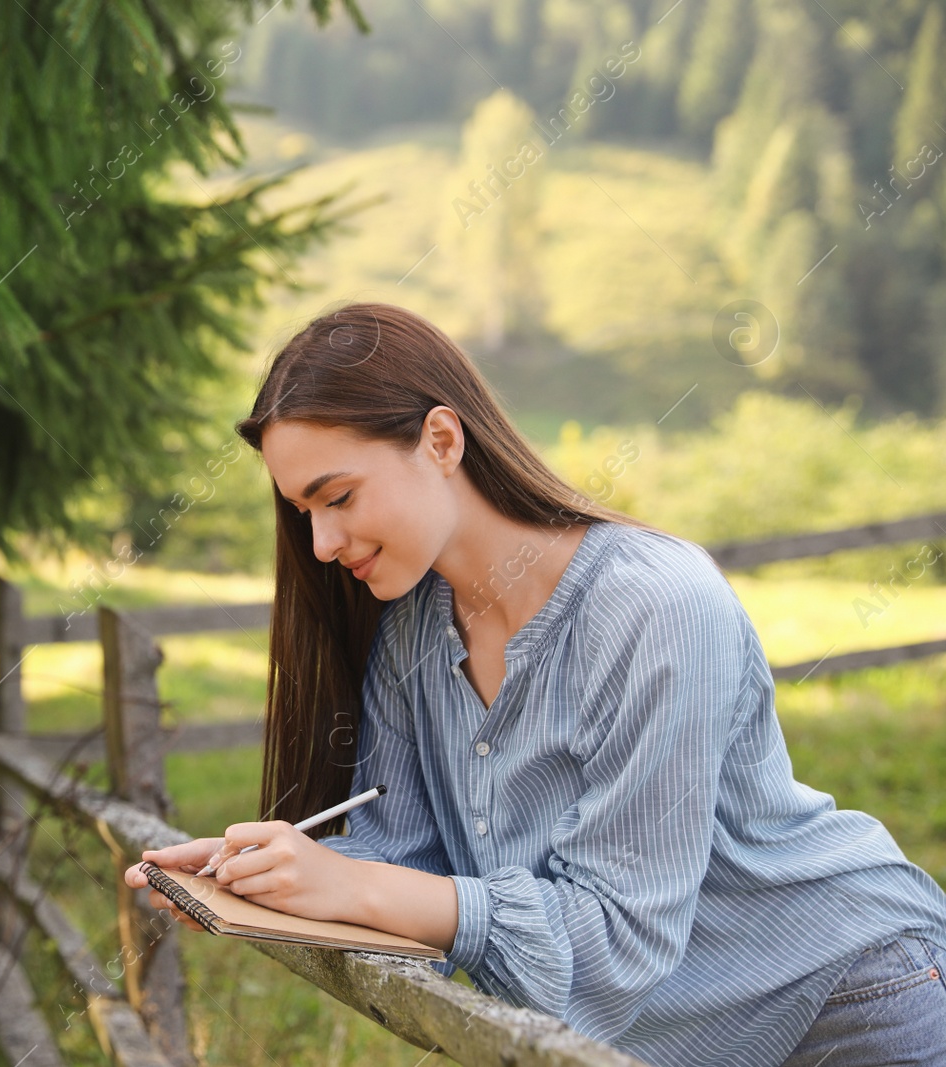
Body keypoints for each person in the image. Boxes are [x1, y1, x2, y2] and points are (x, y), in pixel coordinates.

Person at [124, 303, 946, 1066]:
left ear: (442, 441)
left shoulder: (654, 605)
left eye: (336, 497)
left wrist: (356, 884)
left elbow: (615, 941)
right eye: (303, 512)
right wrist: (267, 871)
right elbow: (401, 852)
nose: (322, 542)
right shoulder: (412, 626)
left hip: (847, 1003)